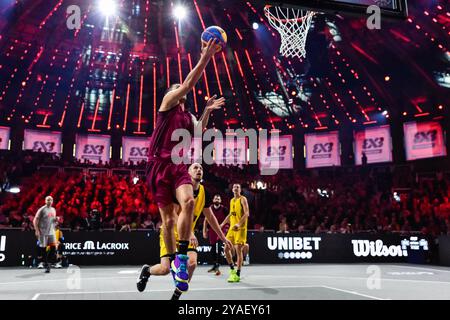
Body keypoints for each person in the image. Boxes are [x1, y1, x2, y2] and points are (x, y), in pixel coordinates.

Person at [146, 38, 224, 293]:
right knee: (167, 221)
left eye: (182, 88)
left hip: (179, 165)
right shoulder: (168, 102)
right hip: (158, 166)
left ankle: (180, 259)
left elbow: (200, 130)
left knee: (189, 202)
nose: (183, 88)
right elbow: (189, 82)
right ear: (172, 91)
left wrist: (207, 110)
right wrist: (206, 56)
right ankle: (169, 262)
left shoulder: (187, 116)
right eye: (178, 86)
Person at [137, 163, 232, 300]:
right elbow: (172, 215)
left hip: (187, 235)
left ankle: (177, 294)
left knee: (192, 263)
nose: (199, 170)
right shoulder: (180, 189)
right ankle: (147, 270)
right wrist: (191, 233)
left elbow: (210, 217)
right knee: (164, 269)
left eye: (201, 168)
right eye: (195, 168)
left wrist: (223, 238)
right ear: (188, 173)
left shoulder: (205, 192)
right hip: (170, 232)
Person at [221, 183, 250, 283]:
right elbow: (230, 214)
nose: (236, 188)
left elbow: (247, 213)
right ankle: (232, 269)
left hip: (240, 228)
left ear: (240, 189)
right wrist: (223, 224)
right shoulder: (231, 200)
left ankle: (237, 274)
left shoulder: (243, 199)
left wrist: (238, 224)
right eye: (234, 187)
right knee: (226, 248)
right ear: (232, 189)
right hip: (232, 229)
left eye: (237, 187)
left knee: (238, 249)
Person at [202, 194, 228, 275]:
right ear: (213, 200)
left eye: (218, 199)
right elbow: (206, 220)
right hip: (212, 229)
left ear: (220, 201)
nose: (217, 200)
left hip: (222, 228)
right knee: (213, 248)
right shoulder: (209, 208)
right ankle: (214, 265)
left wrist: (222, 225)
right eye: (215, 198)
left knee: (219, 246)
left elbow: (228, 218)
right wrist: (204, 231)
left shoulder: (224, 209)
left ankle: (217, 266)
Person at [32, 196, 57, 273]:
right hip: (43, 232)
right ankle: (46, 264)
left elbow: (53, 220)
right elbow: (35, 220)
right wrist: (36, 230)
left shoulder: (53, 209)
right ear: (45, 201)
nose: (49, 201)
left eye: (51, 200)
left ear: (52, 201)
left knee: (53, 248)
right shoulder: (42, 209)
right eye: (48, 200)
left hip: (51, 232)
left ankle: (48, 263)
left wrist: (56, 220)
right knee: (43, 249)